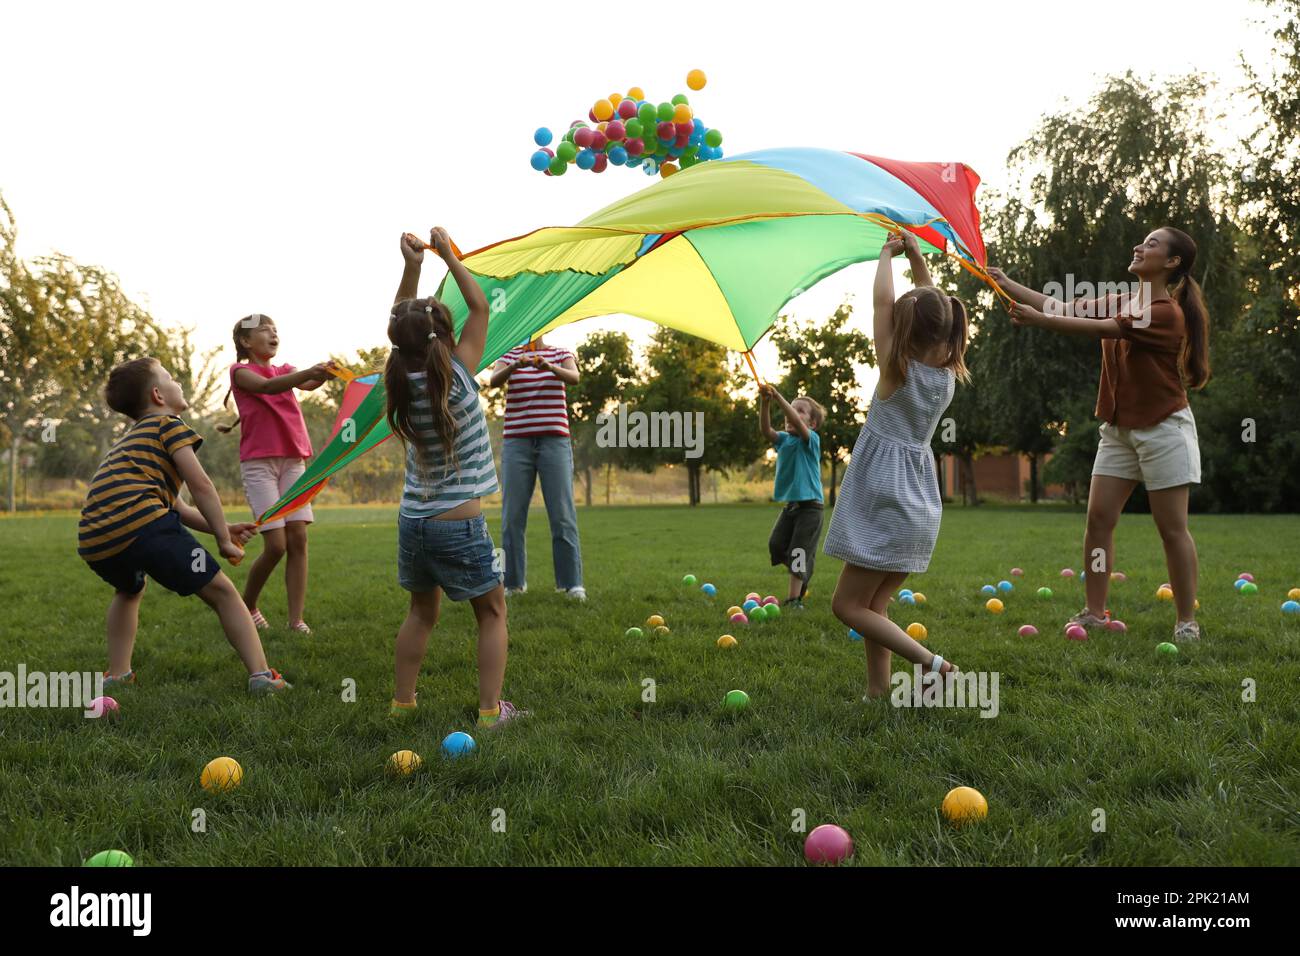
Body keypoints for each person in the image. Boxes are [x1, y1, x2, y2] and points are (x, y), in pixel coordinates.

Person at [990, 226, 1209, 643]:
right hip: (1118, 429)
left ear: (1172, 262)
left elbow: (1101, 329)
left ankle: (1186, 620)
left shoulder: (1164, 312)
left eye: (1151, 244)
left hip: (1164, 428)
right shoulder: (1125, 300)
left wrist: (1041, 322)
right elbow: (1065, 305)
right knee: (1098, 521)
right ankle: (1094, 610)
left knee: (1172, 528)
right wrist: (1007, 283)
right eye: (1142, 240)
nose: (1139, 246)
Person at [79, 357, 291, 694]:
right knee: (223, 593)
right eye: (169, 376)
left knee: (129, 590)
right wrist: (223, 539)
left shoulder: (132, 442)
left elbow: (176, 505)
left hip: (97, 539)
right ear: (158, 396)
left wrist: (223, 526)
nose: (177, 381)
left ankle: (117, 674)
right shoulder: (168, 425)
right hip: (144, 526)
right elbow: (201, 485)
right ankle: (262, 677)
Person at [387, 228, 527, 729]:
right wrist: (449, 253)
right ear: (445, 336)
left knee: (420, 614)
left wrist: (413, 268)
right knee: (492, 613)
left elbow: (401, 325)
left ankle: (403, 704)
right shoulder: (462, 376)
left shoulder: (399, 380)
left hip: (413, 523)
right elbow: (481, 306)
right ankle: (491, 712)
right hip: (459, 524)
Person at [824, 231, 968, 698]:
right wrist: (917, 256)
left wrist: (887, 255)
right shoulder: (944, 376)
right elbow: (933, 308)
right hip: (919, 505)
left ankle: (933, 664)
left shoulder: (895, 367)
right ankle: (878, 692)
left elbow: (881, 305)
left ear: (904, 330)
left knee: (847, 606)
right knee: (876, 603)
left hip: (886, 499)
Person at [219, 313, 334, 634]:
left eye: (275, 330)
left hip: (293, 462)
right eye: (265, 330)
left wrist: (323, 373)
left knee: (299, 538)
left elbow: (308, 383)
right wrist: (307, 375)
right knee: (276, 545)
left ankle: (296, 620)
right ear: (245, 342)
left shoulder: (287, 370)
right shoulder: (240, 372)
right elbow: (268, 387)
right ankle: (248, 604)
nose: (273, 334)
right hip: (259, 466)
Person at [488, 335, 586, 600]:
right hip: (516, 444)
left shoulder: (561, 353)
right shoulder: (509, 355)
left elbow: (574, 377)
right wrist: (514, 366)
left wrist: (549, 368)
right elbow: (493, 380)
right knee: (511, 518)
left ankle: (571, 584)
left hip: (554, 442)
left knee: (562, 515)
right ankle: (511, 584)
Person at [758, 384, 826, 608]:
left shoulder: (811, 441)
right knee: (776, 545)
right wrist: (766, 402)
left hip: (811, 508)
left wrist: (778, 396)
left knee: (797, 551)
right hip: (792, 507)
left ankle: (793, 599)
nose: (793, 414)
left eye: (800, 411)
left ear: (812, 423)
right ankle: (803, 570)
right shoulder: (785, 441)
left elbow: (796, 423)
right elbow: (766, 430)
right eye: (791, 408)